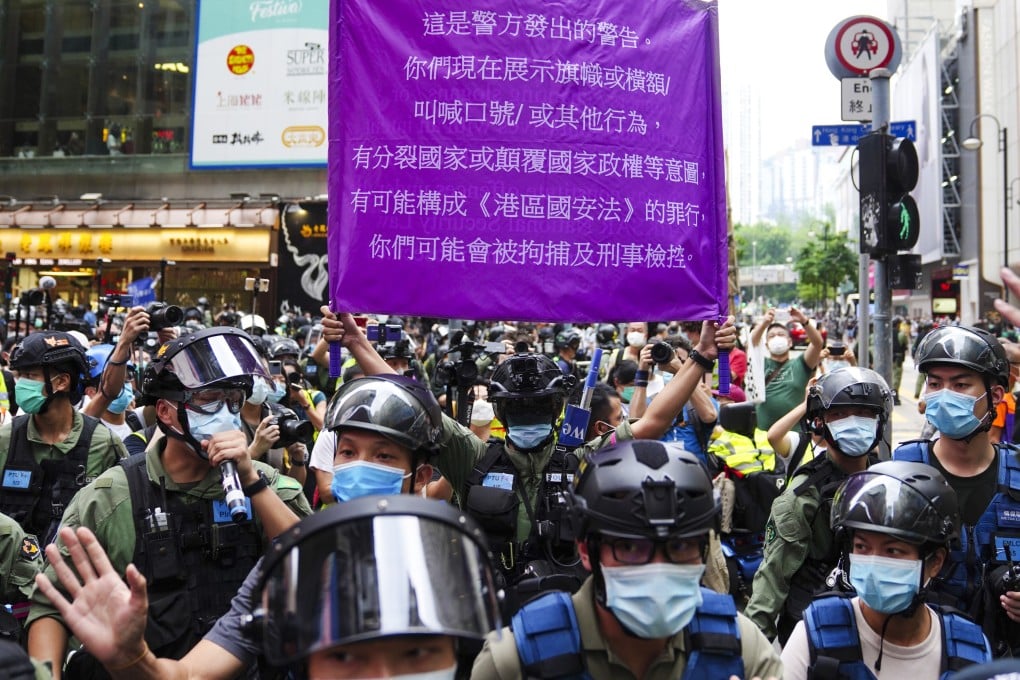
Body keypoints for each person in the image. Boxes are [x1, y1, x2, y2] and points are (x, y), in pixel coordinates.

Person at [321, 308, 736, 615]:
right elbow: (415, 399)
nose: (529, 419)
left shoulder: (584, 457)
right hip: (489, 613)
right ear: (501, 414)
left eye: (539, 409)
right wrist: (357, 343)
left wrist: (700, 356)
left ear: (556, 409)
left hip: (572, 614)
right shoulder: (474, 457)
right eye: (518, 411)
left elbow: (653, 422)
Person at [25, 327, 312, 678]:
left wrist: (251, 481)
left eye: (234, 399)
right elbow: (52, 607)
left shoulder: (265, 487)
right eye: (209, 399)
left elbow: (313, 569)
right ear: (164, 411)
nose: (226, 412)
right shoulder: (113, 497)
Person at [36, 495, 502, 680]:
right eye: (344, 656)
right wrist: (132, 658)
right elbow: (183, 676)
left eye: (416, 653)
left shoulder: (450, 568)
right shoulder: (287, 575)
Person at [471, 439, 782, 679]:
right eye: (632, 548)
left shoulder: (743, 647)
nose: (658, 568)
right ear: (585, 550)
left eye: (680, 547)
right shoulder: (515, 660)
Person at [782, 460, 992, 678]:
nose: (873, 563)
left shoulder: (972, 652)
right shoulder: (815, 635)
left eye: (892, 551)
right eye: (862, 547)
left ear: (935, 562)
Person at [892, 324, 1020, 656]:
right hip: (921, 654)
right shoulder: (900, 470)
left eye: (960, 384)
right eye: (935, 384)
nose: (944, 394)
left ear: (994, 396)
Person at [745, 367, 891, 643]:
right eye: (840, 414)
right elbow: (772, 579)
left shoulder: (890, 479)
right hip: (816, 630)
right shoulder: (803, 496)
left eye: (864, 414)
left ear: (879, 420)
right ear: (820, 422)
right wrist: (753, 653)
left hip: (880, 625)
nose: (853, 422)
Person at [0, 331, 127, 545]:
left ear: (61, 382)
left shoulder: (104, 444)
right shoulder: (6, 439)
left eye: (31, 376)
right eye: (20, 376)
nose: (21, 385)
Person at [749, 307, 824, 431]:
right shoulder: (761, 364)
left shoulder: (802, 363)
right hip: (763, 436)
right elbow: (753, 343)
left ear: (790, 342)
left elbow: (817, 343)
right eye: (772, 336)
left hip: (795, 435)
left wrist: (803, 321)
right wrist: (765, 323)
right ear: (767, 344)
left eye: (781, 334)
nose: (776, 338)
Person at [990, 340, 1019, 445]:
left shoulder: (1012, 397)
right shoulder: (1000, 401)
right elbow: (993, 439)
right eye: (1019, 363)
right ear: (1009, 367)